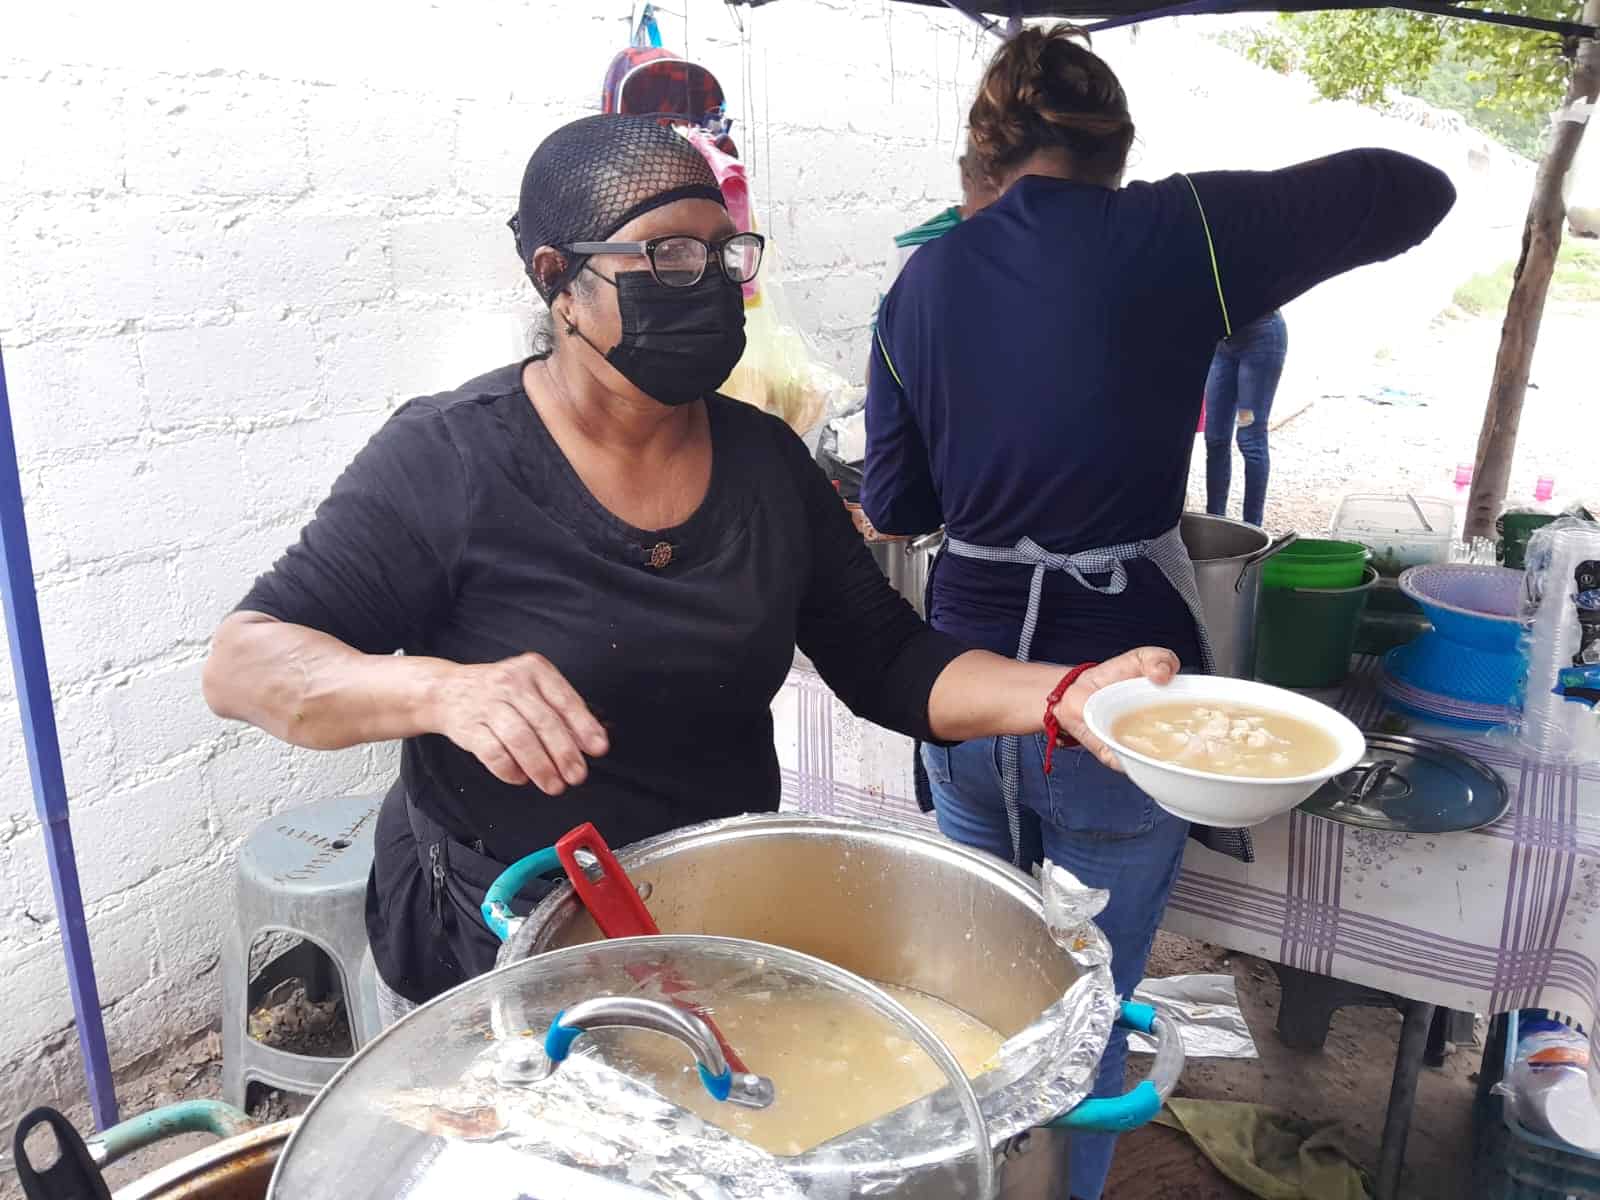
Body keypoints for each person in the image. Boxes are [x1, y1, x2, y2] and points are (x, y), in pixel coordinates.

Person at [201, 114, 1181, 1028]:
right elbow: (244, 664)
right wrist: (439, 691)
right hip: (499, 939)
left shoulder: (763, 463)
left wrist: (1062, 696)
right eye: (668, 254)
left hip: (704, 913)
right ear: (559, 279)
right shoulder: (449, 461)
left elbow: (891, 662)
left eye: (725, 254)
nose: (710, 281)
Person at [861, 27, 1455, 1199]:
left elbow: (894, 503)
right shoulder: (1183, 233)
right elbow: (1415, 188)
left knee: (979, 995)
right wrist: (1215, 227)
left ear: (980, 159)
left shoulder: (920, 281)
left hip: (968, 692)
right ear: (1116, 154)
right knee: (1088, 1009)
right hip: (1123, 704)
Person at [1204, 310, 1288, 528]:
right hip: (1222, 345)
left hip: (1261, 336)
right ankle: (1214, 524)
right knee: (1215, 439)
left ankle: (1252, 529)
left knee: (1250, 439)